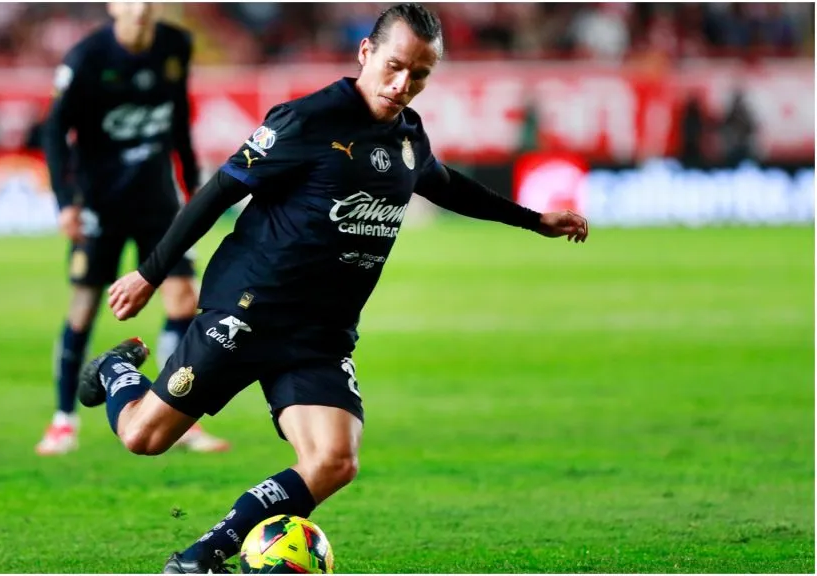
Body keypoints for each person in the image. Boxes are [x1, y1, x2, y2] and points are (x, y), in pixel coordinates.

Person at [83, 3, 589, 572]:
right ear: (366, 52)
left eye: (419, 75)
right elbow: (220, 190)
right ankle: (116, 370)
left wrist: (533, 220)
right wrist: (150, 273)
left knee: (334, 461)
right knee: (143, 438)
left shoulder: (407, 136)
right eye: (394, 66)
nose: (402, 85)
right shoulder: (306, 120)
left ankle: (202, 556)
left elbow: (447, 186)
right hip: (249, 312)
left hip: (321, 333)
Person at [36, 1, 228, 456]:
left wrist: (192, 185)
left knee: (183, 299)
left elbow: (178, 116)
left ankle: (175, 414)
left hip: (157, 199)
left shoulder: (175, 45)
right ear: (112, 6)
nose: (139, 7)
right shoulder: (87, 58)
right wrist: (65, 202)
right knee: (84, 307)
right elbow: (54, 131)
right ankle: (63, 420)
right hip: (99, 201)